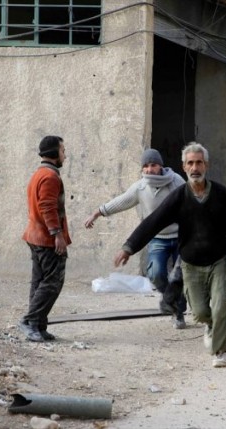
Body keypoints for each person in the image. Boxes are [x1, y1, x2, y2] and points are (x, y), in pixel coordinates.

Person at [113, 142, 226, 368]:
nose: (195, 167)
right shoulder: (179, 196)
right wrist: (129, 247)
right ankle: (212, 325)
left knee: (221, 306)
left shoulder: (220, 194)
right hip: (190, 264)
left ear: (206, 165)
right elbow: (153, 222)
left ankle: (220, 351)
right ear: (184, 167)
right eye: (190, 163)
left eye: (199, 162)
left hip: (218, 261)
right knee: (200, 312)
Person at [84, 149, 187, 329]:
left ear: (161, 166)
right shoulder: (140, 187)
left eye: (153, 165)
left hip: (181, 236)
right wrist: (98, 212)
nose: (149, 170)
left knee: (182, 275)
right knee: (155, 273)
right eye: (145, 166)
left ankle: (178, 309)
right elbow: (121, 201)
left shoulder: (176, 181)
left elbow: (192, 202)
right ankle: (174, 304)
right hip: (157, 238)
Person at [18, 136, 71, 342]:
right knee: (52, 283)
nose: (64, 155)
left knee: (39, 282)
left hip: (36, 236)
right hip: (46, 239)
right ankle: (29, 321)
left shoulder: (39, 173)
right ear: (54, 153)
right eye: (62, 151)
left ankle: (38, 326)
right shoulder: (50, 177)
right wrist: (57, 235)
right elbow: (47, 207)